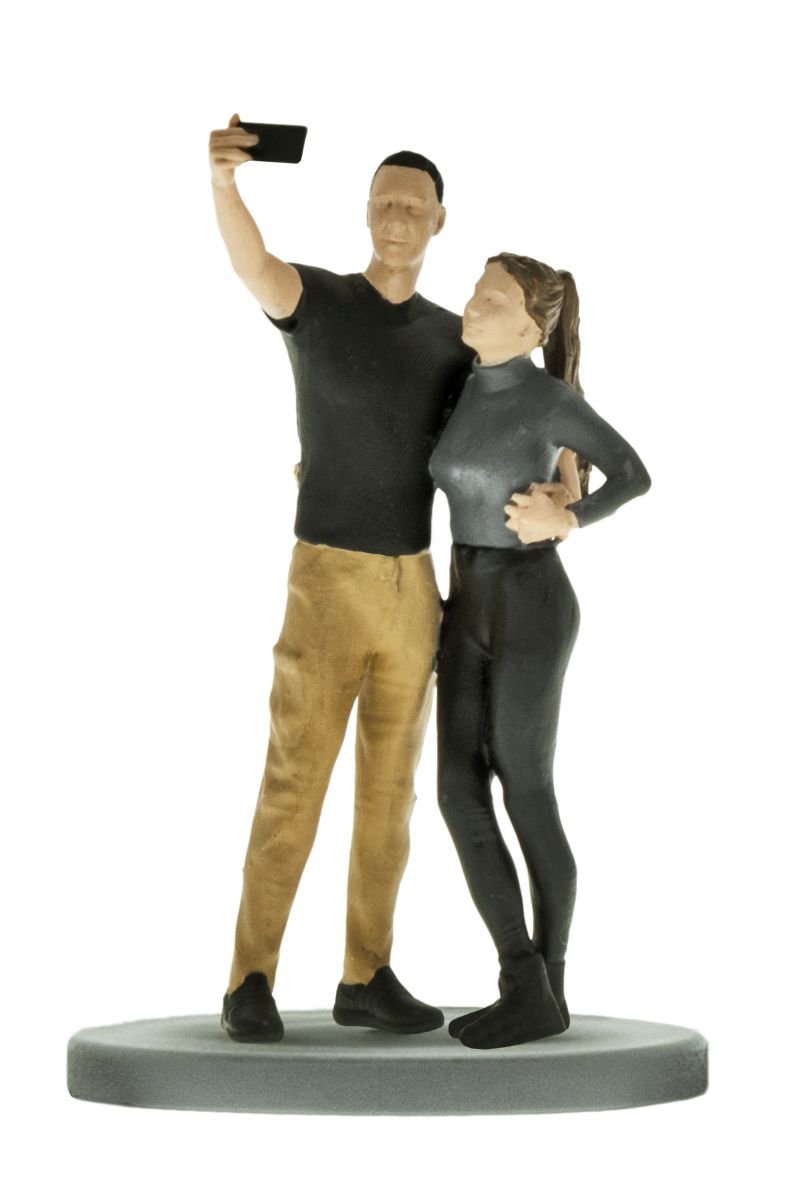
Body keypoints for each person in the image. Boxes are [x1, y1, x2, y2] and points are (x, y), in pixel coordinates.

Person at [208, 116, 481, 1041]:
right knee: (294, 780)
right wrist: (224, 184)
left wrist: (566, 472)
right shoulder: (319, 301)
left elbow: (510, 412)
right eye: (384, 202)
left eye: (414, 205)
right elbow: (253, 266)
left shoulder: (455, 340)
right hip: (325, 577)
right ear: (366, 211)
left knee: (390, 795)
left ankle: (367, 971)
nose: (397, 217)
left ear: (440, 221)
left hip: (415, 585)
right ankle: (250, 976)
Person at [430, 253, 651, 1050]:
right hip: (464, 602)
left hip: (531, 604)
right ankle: (524, 984)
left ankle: (548, 982)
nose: (472, 304)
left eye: (493, 300)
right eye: (475, 291)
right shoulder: (459, 386)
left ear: (531, 329)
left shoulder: (549, 399)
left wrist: (571, 517)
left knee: (526, 791)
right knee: (457, 790)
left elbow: (633, 474)